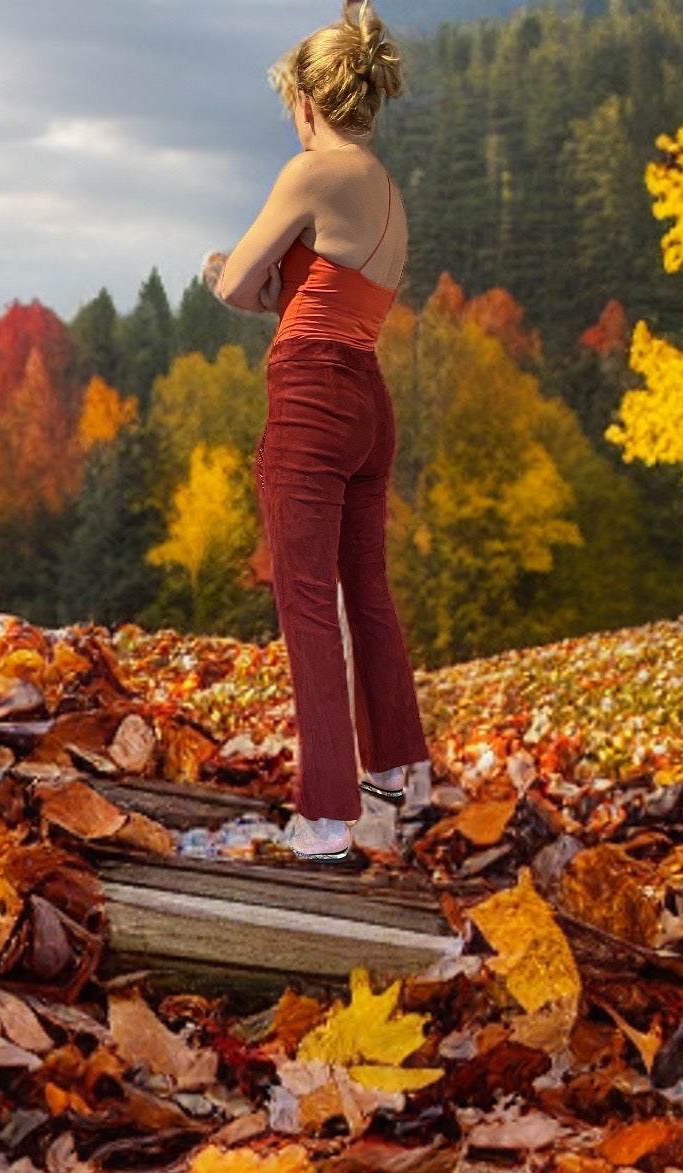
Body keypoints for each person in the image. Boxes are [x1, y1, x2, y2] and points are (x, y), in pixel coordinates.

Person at [203, 0, 431, 865]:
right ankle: (403, 775)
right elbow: (321, 295)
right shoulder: (386, 193)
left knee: (306, 602)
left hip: (311, 395)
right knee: (366, 591)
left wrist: (221, 272)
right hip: (369, 400)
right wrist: (271, 288)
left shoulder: (312, 173)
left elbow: (240, 290)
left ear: (308, 98)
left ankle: (328, 818)